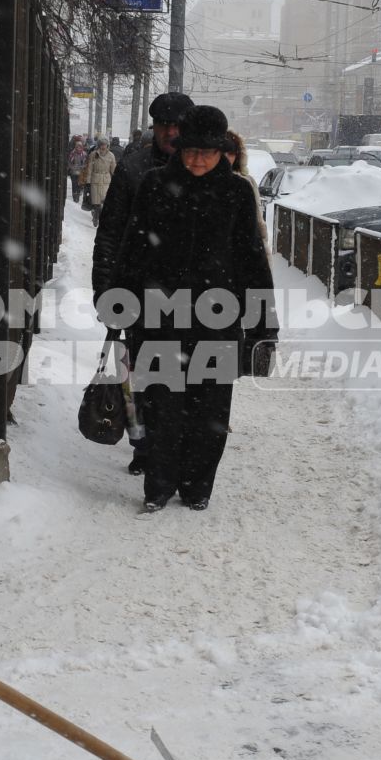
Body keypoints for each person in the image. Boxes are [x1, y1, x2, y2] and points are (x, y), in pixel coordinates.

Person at [119, 105, 277, 512]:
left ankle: (196, 486)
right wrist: (121, 303)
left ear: (221, 151)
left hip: (217, 320)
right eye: (190, 151)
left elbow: (252, 263)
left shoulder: (238, 192)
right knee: (161, 404)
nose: (198, 160)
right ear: (179, 149)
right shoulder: (154, 185)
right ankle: (158, 485)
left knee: (209, 409)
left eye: (207, 152)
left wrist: (263, 328)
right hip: (159, 318)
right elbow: (133, 250)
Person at [92, 91, 193, 476]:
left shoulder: (203, 170)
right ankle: (145, 445)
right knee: (143, 376)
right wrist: (105, 290)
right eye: (164, 125)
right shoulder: (133, 169)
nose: (171, 132)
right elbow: (110, 234)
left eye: (177, 125)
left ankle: (174, 447)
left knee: (186, 377)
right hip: (140, 293)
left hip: (190, 297)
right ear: (154, 128)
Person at [225, 130, 268, 248]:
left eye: (231, 153)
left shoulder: (246, 183)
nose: (227, 157)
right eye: (223, 152)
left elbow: (258, 225)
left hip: (242, 254)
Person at [86, 138, 117, 222]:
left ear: (107, 145)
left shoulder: (111, 155)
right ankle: (96, 216)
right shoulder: (93, 154)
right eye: (102, 144)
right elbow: (89, 169)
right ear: (99, 145)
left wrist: (116, 180)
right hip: (95, 179)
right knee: (96, 202)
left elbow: (114, 169)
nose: (103, 146)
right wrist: (88, 181)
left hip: (106, 180)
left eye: (105, 145)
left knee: (104, 200)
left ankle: (101, 216)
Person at [66, 135, 89, 203]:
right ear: (75, 147)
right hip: (73, 172)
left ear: (82, 147)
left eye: (80, 147)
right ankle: (74, 197)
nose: (78, 148)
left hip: (81, 173)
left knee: (79, 185)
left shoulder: (84, 154)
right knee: (74, 185)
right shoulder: (72, 153)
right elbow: (69, 162)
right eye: (77, 147)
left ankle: (77, 196)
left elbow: (86, 163)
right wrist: (72, 167)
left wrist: (82, 167)